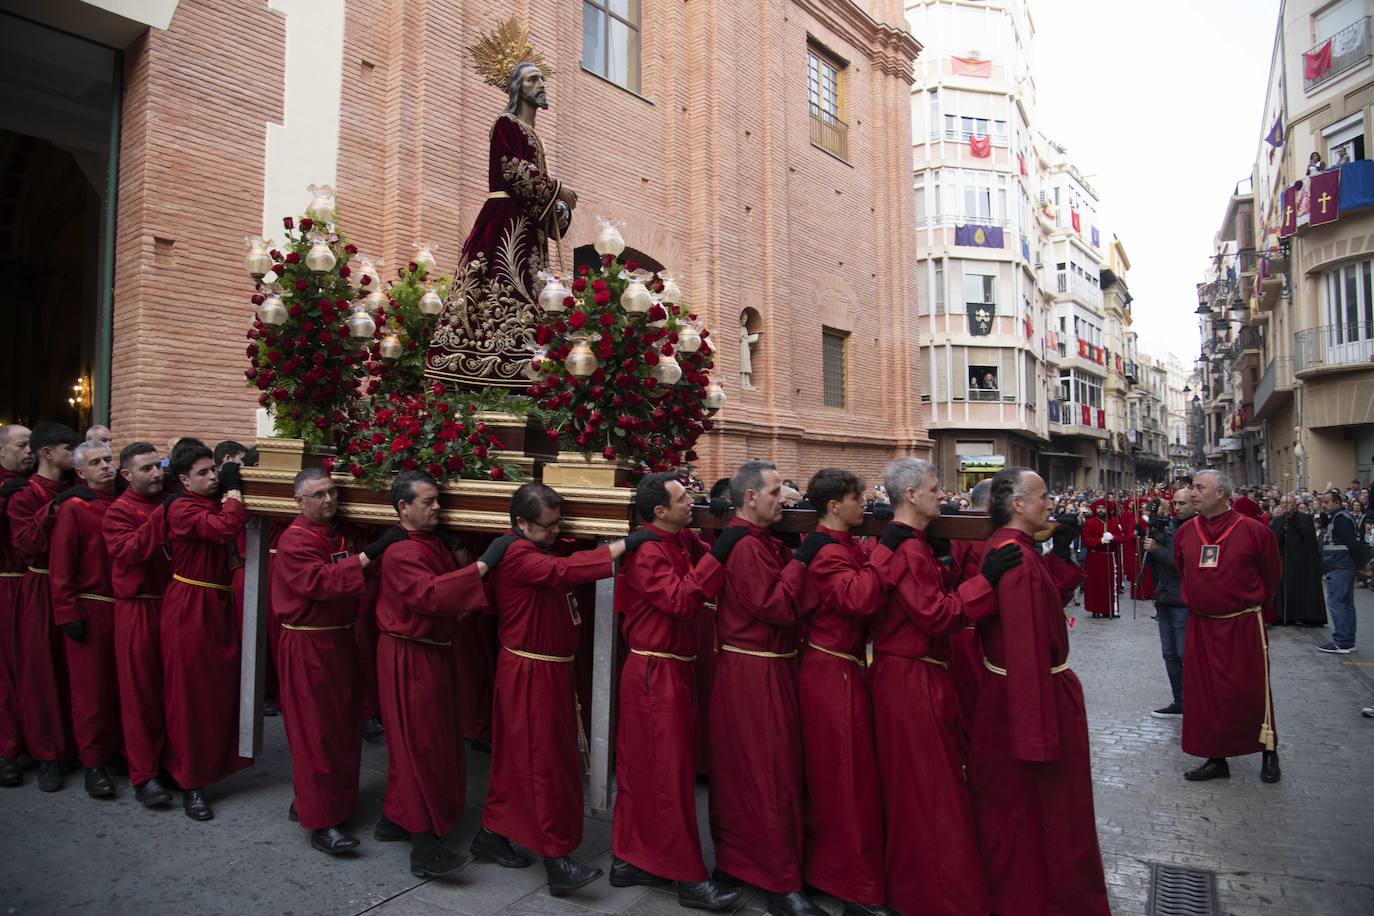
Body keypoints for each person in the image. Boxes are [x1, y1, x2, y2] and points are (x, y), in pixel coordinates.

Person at [868, 459, 1024, 916]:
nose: (943, 495)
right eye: (935, 488)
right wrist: (986, 580)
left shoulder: (917, 544)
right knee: (926, 791)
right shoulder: (907, 549)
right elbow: (936, 614)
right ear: (912, 495)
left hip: (918, 672)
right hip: (909, 678)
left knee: (930, 786)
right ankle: (934, 895)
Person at [477, 482, 638, 897]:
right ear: (521, 524)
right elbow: (562, 572)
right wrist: (621, 546)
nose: (554, 534)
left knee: (525, 761)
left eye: (557, 526)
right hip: (529, 674)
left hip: (547, 672)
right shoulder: (517, 555)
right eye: (547, 528)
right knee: (542, 764)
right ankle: (556, 859)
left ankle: (491, 834)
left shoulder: (535, 546)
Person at [971, 467, 1109, 916]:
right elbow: (1026, 644)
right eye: (1043, 496)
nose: (1051, 503)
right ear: (1017, 504)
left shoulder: (1017, 550)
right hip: (1030, 700)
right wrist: (1037, 734)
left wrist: (1059, 548)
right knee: (1040, 811)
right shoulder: (1013, 557)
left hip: (1018, 693)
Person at [608, 471, 744, 911]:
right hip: (654, 671)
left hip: (671, 670)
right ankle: (687, 877)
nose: (693, 502)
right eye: (684, 498)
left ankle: (630, 859)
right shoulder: (647, 551)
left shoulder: (680, 540)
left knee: (654, 770)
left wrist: (722, 528)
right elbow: (683, 599)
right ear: (659, 512)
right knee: (664, 775)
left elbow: (715, 558)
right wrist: (720, 548)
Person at [424, 38, 577, 387]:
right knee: (498, 286)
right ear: (516, 88)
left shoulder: (532, 134)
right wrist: (558, 190)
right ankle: (488, 366)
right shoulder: (505, 124)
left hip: (525, 225)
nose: (541, 84)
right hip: (505, 222)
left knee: (532, 289)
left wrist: (559, 209)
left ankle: (528, 365)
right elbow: (512, 171)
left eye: (542, 78)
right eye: (532, 79)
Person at [272, 468, 407, 856]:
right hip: (309, 645)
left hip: (342, 640)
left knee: (344, 729)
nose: (329, 500)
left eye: (332, 492)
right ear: (299, 501)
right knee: (316, 733)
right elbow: (321, 581)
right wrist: (371, 554)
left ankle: (332, 804)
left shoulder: (338, 533)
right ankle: (322, 821)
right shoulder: (296, 540)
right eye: (318, 495)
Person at [371, 471, 500, 877]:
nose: (437, 507)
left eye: (438, 500)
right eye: (428, 502)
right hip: (408, 654)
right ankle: (423, 846)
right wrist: (482, 564)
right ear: (402, 508)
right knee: (418, 744)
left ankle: (394, 819)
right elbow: (430, 594)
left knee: (434, 739)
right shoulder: (400, 552)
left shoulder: (432, 542)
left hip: (432, 652)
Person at [706, 461, 820, 916]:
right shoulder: (746, 547)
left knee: (766, 772)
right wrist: (805, 560)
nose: (784, 499)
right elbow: (776, 605)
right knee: (763, 775)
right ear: (750, 497)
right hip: (753, 672)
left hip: (767, 669)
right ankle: (775, 879)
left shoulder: (760, 541)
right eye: (775, 492)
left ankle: (746, 864)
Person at [790, 468, 901, 915]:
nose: (866, 505)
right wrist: (890, 548)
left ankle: (837, 873)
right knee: (844, 781)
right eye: (859, 499)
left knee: (848, 779)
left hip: (843, 667)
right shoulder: (825, 551)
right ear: (835, 505)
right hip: (829, 670)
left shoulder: (843, 545)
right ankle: (852, 886)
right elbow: (857, 599)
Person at [1175, 470, 1282, 784]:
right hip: (1202, 625)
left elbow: (1271, 576)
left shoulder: (1253, 531)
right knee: (1206, 695)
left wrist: (1252, 606)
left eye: (1199, 488)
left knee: (1252, 689)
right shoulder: (1186, 532)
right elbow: (1185, 572)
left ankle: (1269, 752)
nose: (1192, 493)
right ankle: (1216, 758)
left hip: (1243, 624)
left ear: (1221, 493)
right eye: (1192, 487)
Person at [161, 443, 249, 819]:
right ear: (183, 479)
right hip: (190, 605)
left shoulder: (204, 502)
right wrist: (233, 492)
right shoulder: (181, 508)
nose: (213, 477)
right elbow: (226, 526)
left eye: (214, 470)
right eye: (204, 473)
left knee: (216, 691)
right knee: (189, 696)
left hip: (215, 603)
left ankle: (212, 765)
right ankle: (189, 781)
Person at [8, 422, 79, 791]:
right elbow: (27, 543)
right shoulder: (25, 494)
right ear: (48, 453)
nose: (76, 454)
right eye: (71, 448)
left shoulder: (72, 488)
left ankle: (77, 747)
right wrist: (54, 509)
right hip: (39, 586)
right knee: (42, 673)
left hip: (77, 590)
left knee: (75, 672)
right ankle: (47, 753)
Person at [49, 440, 122, 798]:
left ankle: (119, 753)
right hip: (90, 608)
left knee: (121, 689)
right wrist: (67, 612)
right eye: (96, 462)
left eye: (109, 459)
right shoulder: (74, 509)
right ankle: (94, 764)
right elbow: (61, 565)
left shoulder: (123, 502)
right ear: (80, 473)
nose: (105, 466)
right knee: (91, 693)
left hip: (124, 609)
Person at [101, 442, 173, 806]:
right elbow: (130, 553)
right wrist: (164, 516)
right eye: (146, 469)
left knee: (172, 691)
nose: (157, 474)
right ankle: (144, 775)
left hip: (172, 607)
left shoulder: (169, 501)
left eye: (158, 466)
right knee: (140, 693)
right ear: (126, 475)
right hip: (139, 610)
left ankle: (171, 765)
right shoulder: (118, 511)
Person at [1142, 487, 1196, 718]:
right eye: (1175, 503)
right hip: (1164, 597)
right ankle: (1180, 701)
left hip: (1182, 599)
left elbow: (1184, 564)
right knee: (1169, 654)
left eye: (1183, 503)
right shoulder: (1171, 525)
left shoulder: (1197, 528)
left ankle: (1195, 699)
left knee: (1185, 654)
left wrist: (1158, 549)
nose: (1178, 508)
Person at [0, 423, 33, 786]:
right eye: (22, 445)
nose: (28, 452)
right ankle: (6, 749)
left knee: (30, 671)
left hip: (31, 585)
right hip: (6, 585)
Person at [1317, 488, 1363, 653]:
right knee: (1346, 604)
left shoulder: (1341, 519)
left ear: (1337, 502)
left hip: (1339, 566)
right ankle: (1348, 640)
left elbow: (1351, 543)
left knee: (1337, 603)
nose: (1324, 505)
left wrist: (1359, 564)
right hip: (1343, 566)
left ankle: (1342, 641)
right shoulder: (1338, 517)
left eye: (1327, 502)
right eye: (1322, 502)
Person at [1269, 498, 1327, 627]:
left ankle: (1303, 616)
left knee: (1302, 588)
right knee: (1285, 589)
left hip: (1302, 561)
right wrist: (1283, 529)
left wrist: (1294, 521)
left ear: (1294, 504)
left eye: (1288, 503)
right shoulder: (1278, 520)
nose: (1285, 505)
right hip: (1285, 560)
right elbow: (1274, 541)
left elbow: (1309, 536)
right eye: (1283, 503)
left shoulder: (1305, 518)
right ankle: (1285, 616)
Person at [1081, 498, 1119, 618]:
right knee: (1095, 585)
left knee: (1109, 584)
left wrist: (1113, 538)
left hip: (1109, 557)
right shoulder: (1090, 523)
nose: (1101, 510)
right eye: (1099, 508)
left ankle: (1109, 609)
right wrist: (1100, 540)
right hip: (1095, 558)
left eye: (1103, 508)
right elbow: (1086, 540)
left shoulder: (1112, 522)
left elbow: (1121, 538)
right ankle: (1095, 609)